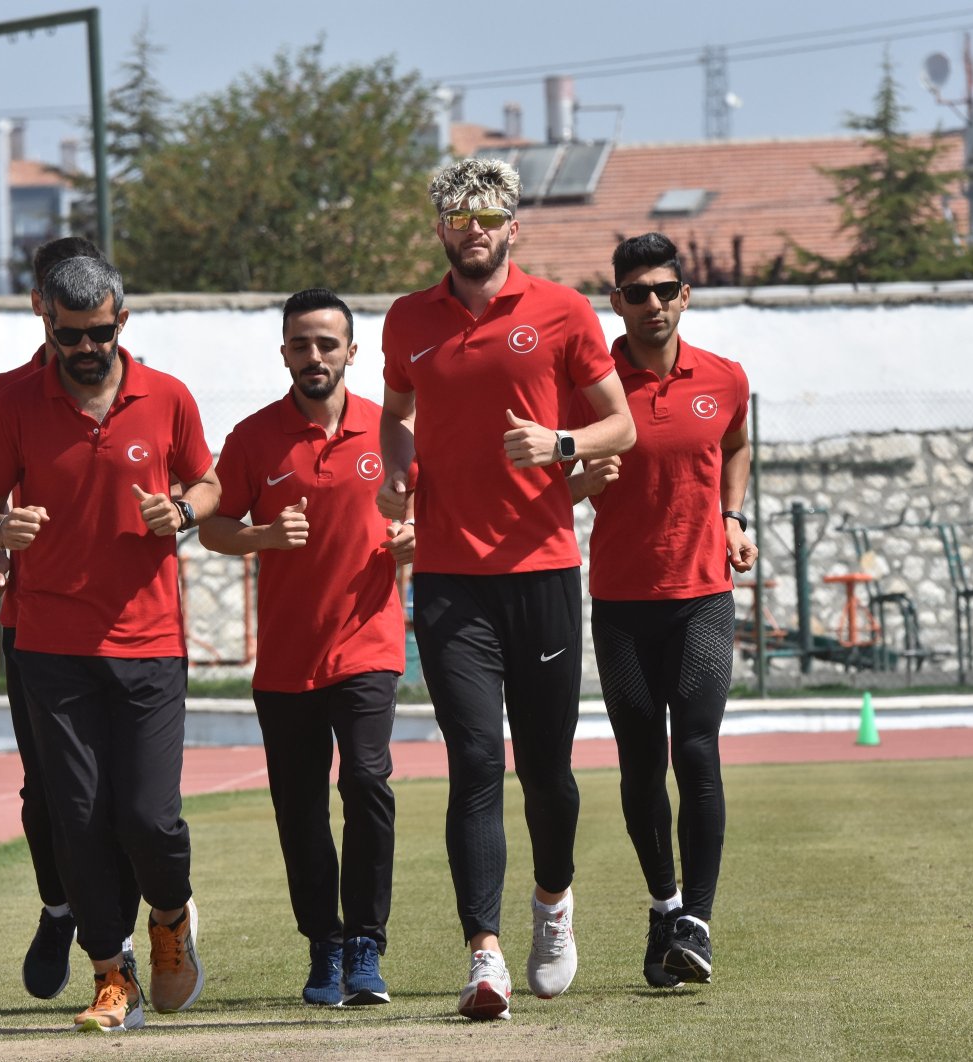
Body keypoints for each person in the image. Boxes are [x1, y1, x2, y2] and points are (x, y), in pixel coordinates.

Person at [376, 158, 635, 1021]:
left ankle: (553, 904)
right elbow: (397, 410)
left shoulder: (561, 310)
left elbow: (620, 424)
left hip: (545, 574)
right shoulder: (409, 319)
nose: (474, 228)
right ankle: (483, 954)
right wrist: (396, 473)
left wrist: (560, 445)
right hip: (451, 580)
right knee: (476, 762)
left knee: (548, 771)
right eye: (458, 216)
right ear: (441, 230)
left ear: (513, 228)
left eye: (489, 215)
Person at [0, 255, 220, 1032]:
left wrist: (181, 511)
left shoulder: (168, 396)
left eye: (99, 333)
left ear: (123, 321)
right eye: (69, 334)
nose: (85, 348)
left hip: (148, 642)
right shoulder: (9, 400)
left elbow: (210, 486)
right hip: (49, 644)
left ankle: (171, 918)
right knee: (76, 816)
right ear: (45, 320)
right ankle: (114, 975)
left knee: (148, 818)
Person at [198, 288, 414, 1008]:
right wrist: (261, 535)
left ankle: (367, 946)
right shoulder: (254, 437)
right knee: (299, 808)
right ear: (284, 352)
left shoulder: (393, 432)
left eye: (327, 344)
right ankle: (323, 944)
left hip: (369, 648)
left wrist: (417, 538)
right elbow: (215, 526)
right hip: (286, 663)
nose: (314, 356)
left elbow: (433, 515)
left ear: (353, 352)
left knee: (367, 784)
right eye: (301, 344)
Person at [569, 232, 756, 990]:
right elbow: (551, 479)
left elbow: (737, 444)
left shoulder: (726, 378)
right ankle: (663, 907)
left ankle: (697, 923)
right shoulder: (591, 385)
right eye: (635, 292)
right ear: (615, 302)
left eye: (665, 290)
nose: (652, 303)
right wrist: (584, 478)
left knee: (699, 752)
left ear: (686, 295)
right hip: (619, 602)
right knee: (641, 763)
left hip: (703, 596)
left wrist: (736, 518)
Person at [0, 236, 141, 1003]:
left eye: (88, 321)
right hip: (31, 623)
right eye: (49, 302)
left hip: (126, 628)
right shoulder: (5, 396)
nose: (71, 330)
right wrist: (0, 547)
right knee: (48, 791)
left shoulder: (140, 391)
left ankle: (133, 929)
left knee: (125, 795)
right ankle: (59, 908)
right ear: (39, 306)